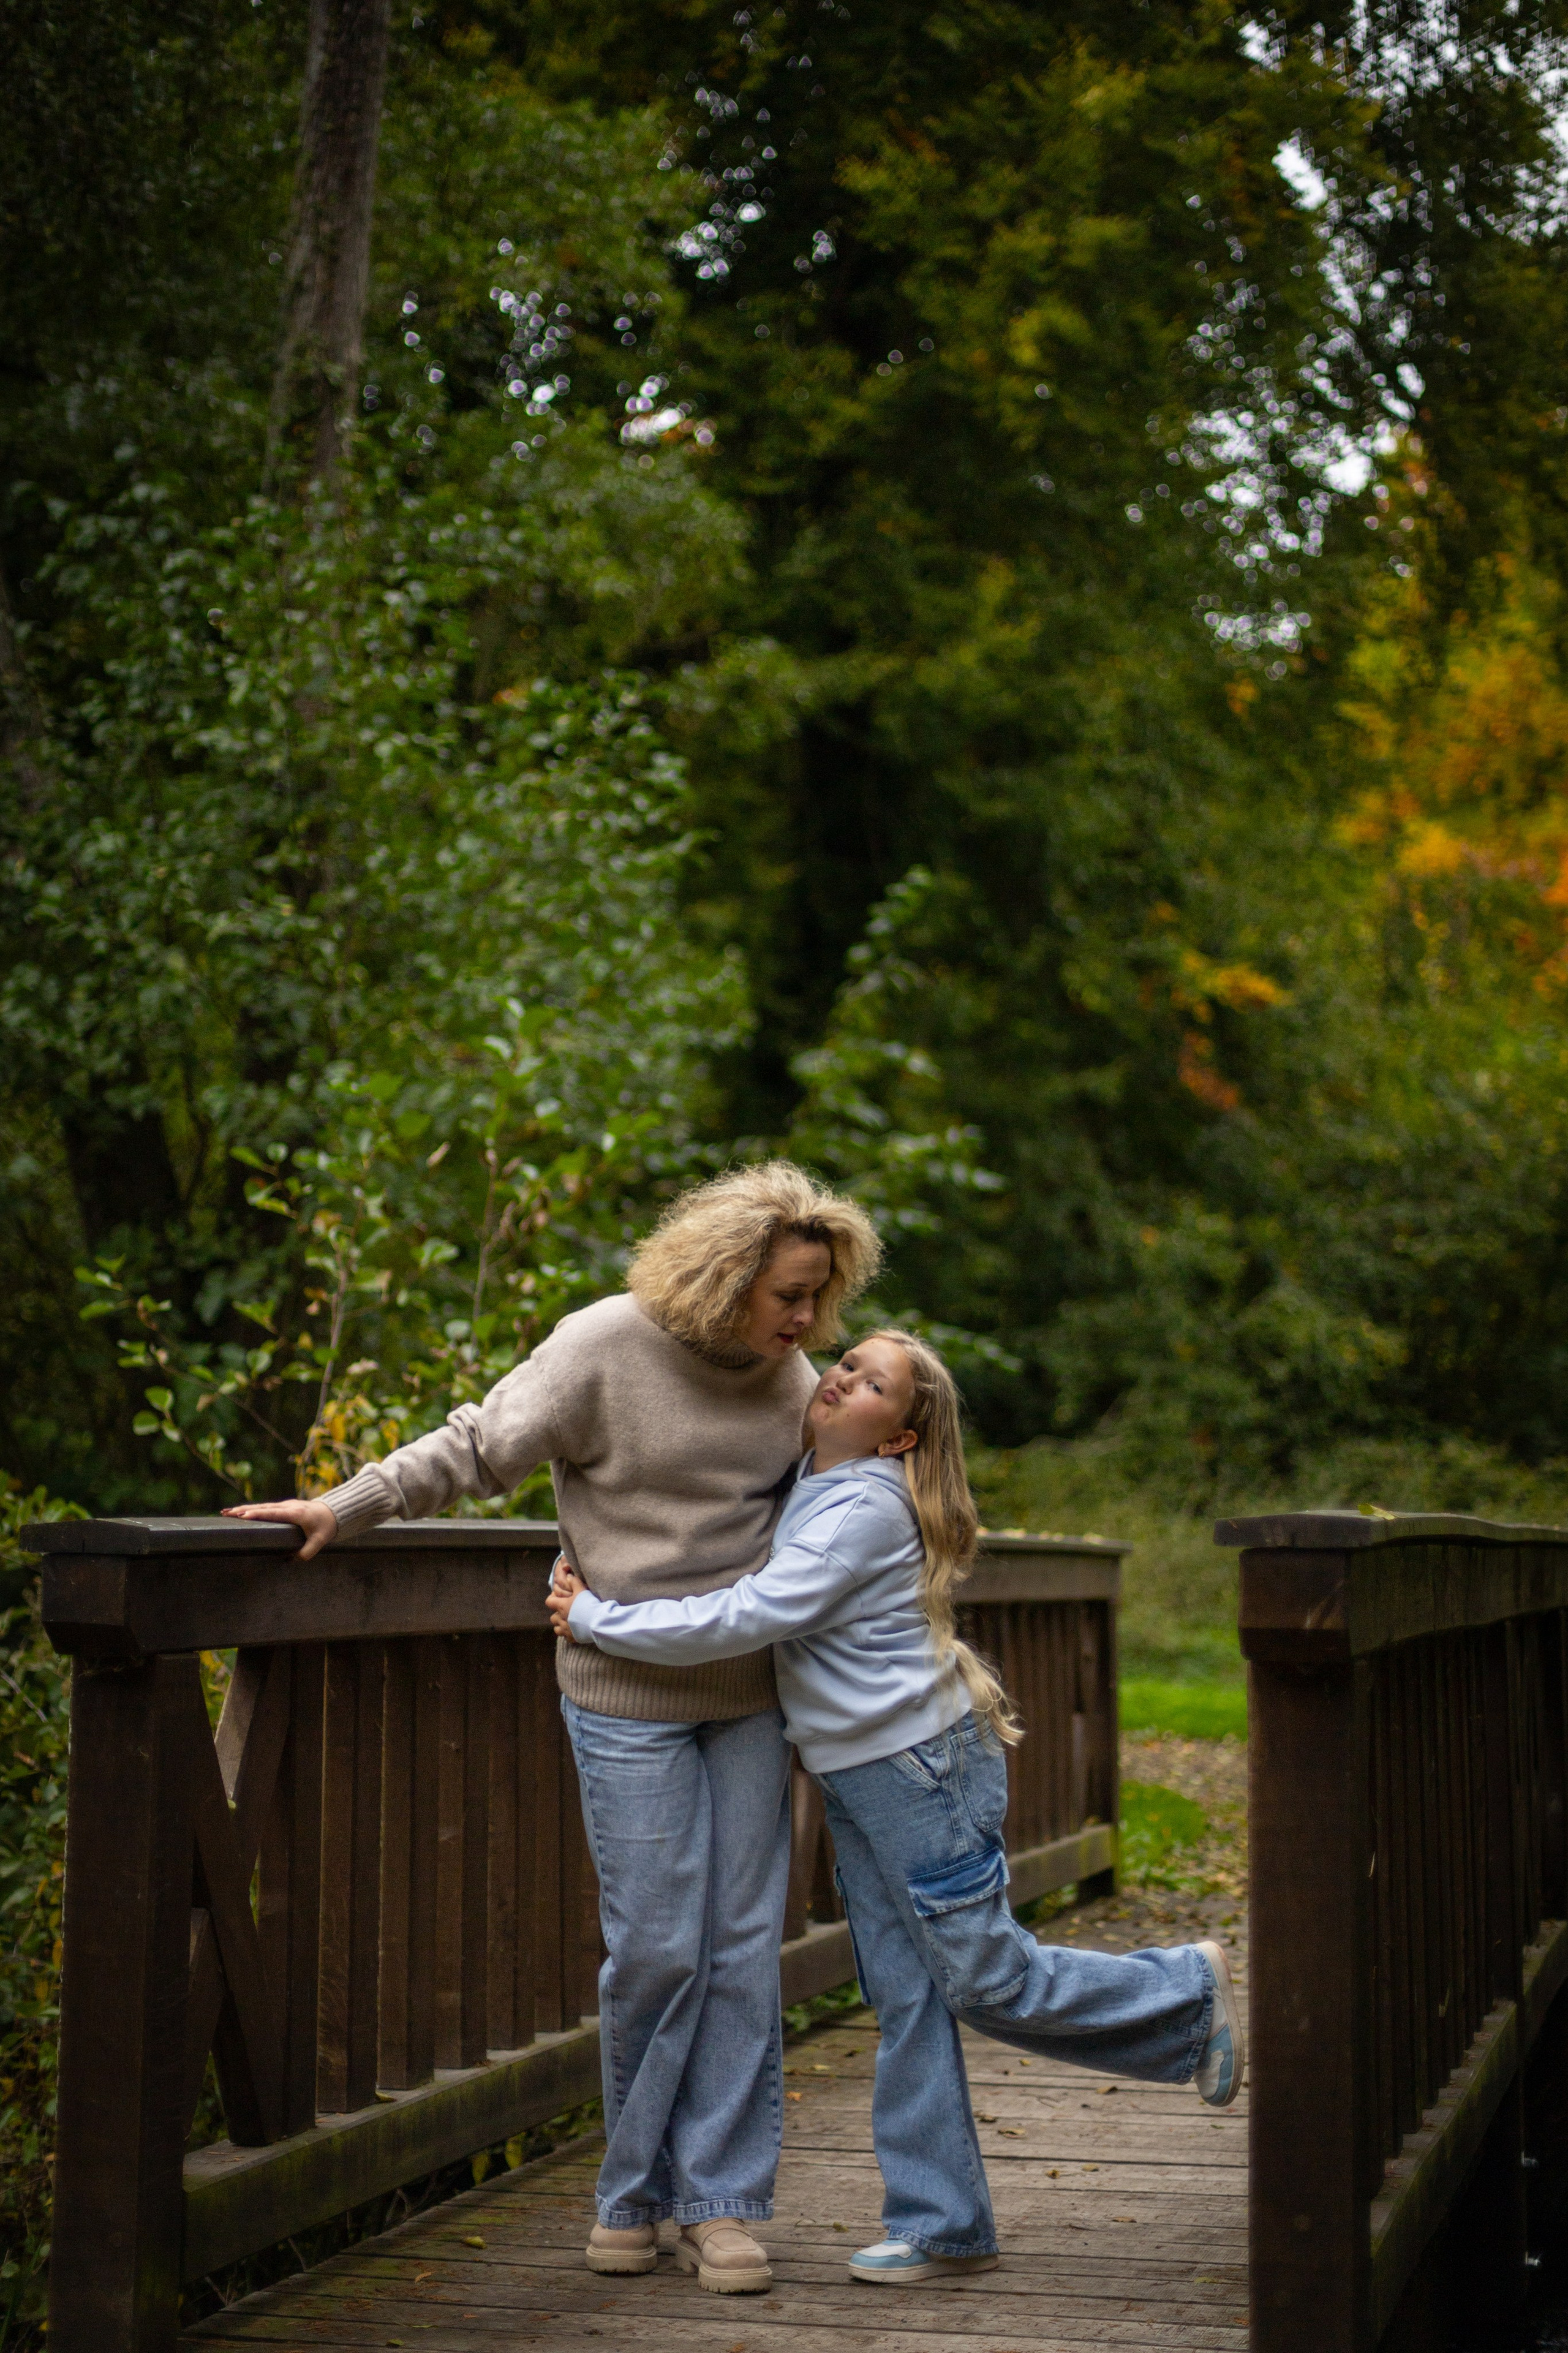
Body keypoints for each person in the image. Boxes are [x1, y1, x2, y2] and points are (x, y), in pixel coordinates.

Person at [222, 1160, 881, 2298]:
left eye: (821, 1295)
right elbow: (476, 1446)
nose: (809, 1319)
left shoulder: (792, 1380)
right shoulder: (605, 1346)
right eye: (789, 1293)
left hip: (749, 1698)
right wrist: (343, 1503)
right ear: (726, 1279)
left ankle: (718, 2204)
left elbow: (838, 1509)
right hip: (623, 1694)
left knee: (740, 1949)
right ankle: (631, 2194)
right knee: (659, 1948)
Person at [547, 1327, 1245, 2286]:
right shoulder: (814, 1483)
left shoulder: (863, 1510)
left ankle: (1182, 1995)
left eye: (873, 1383)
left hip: (921, 1773)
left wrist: (596, 1617)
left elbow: (749, 1615)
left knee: (986, 1978)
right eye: (845, 1364)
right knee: (907, 1996)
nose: (840, 1379)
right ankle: (942, 2220)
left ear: (899, 1440)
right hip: (862, 1776)